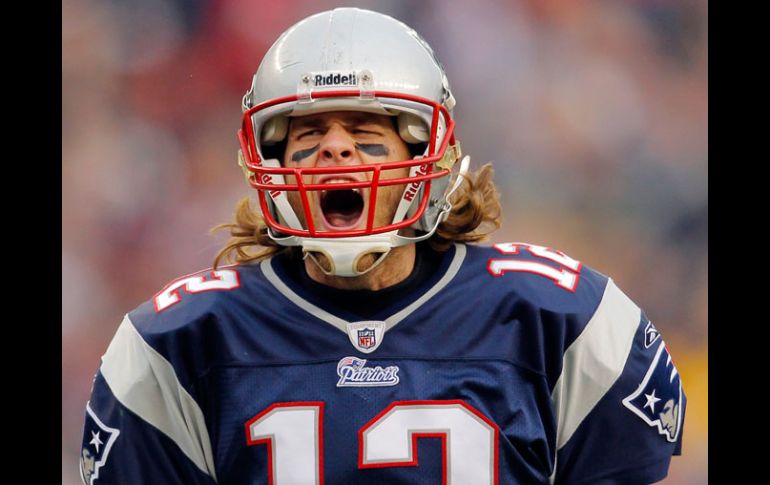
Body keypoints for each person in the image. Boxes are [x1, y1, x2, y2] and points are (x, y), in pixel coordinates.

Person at [79, 7, 685, 485]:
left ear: (427, 154)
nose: (335, 151)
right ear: (267, 160)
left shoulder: (560, 320)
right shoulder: (180, 341)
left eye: (367, 133)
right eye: (308, 133)